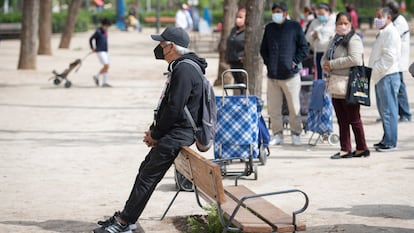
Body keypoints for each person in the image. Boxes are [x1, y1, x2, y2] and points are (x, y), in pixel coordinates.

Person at [92, 27, 207, 233]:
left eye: (162, 44)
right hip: (176, 132)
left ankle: (124, 222)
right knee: (146, 171)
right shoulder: (183, 66)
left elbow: (174, 108)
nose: (159, 48)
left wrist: (155, 133)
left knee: (148, 175)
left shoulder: (184, 69)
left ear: (171, 46)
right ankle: (127, 217)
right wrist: (156, 131)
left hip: (178, 133)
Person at [321, 12, 369, 159]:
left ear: (350, 24)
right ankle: (345, 148)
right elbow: (325, 57)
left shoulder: (354, 39)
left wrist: (332, 64)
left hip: (349, 84)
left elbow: (355, 59)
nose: (342, 26)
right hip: (335, 83)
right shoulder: (335, 39)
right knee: (341, 118)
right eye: (339, 23)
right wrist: (325, 65)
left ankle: (362, 147)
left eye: (345, 23)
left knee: (354, 117)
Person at [260, 2, 309, 146]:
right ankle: (277, 134)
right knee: (274, 108)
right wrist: (268, 63)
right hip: (272, 76)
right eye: (274, 11)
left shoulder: (294, 26)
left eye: (279, 11)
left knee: (294, 107)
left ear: (286, 13)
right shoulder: (269, 28)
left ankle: (296, 133)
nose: (276, 14)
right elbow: (263, 49)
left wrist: (294, 62)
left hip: (291, 75)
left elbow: (304, 48)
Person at [368, 7, 401, 152]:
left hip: (387, 75)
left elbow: (389, 57)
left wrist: (375, 70)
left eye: (379, 16)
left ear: (388, 17)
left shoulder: (391, 33)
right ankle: (387, 137)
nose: (377, 19)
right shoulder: (384, 32)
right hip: (381, 76)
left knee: (389, 110)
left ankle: (391, 142)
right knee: (383, 110)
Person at [387, 1, 411, 122]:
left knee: (400, 87)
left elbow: (392, 38)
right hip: (395, 60)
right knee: (397, 87)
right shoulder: (395, 21)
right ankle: (399, 113)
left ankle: (405, 114)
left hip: (399, 59)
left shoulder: (400, 22)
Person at [305, 3, 336, 80]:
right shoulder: (314, 22)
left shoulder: (334, 21)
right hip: (318, 51)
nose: (320, 16)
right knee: (319, 73)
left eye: (322, 14)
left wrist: (333, 37)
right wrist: (313, 35)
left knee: (330, 73)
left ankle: (329, 90)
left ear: (328, 12)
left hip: (330, 52)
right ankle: (320, 89)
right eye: (319, 14)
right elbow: (307, 37)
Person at [225, 8, 246, 94]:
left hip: (241, 63)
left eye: (241, 17)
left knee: (243, 85)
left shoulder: (247, 32)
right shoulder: (234, 30)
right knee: (238, 84)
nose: (238, 19)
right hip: (233, 61)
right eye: (237, 17)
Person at [89, 18, 112, 87]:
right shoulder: (98, 31)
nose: (107, 27)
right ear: (103, 25)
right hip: (100, 51)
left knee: (107, 66)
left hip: (105, 50)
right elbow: (91, 39)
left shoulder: (105, 31)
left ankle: (105, 82)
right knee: (106, 65)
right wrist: (92, 47)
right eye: (106, 26)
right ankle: (96, 76)